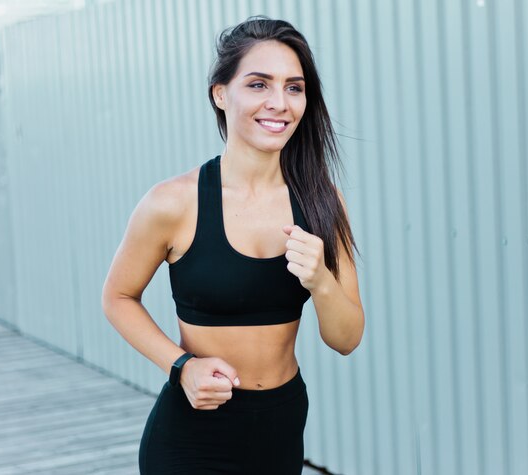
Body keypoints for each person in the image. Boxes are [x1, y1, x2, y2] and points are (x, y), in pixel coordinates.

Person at [101, 15, 365, 475]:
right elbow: (118, 298)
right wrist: (182, 366)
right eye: (259, 84)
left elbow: (346, 339)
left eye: (294, 87)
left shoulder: (323, 200)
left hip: (281, 427)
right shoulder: (173, 203)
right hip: (192, 436)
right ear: (220, 94)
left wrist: (321, 281)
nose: (279, 103)